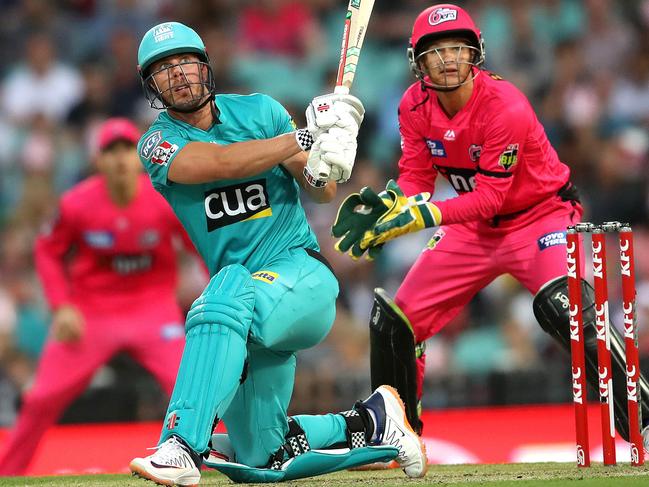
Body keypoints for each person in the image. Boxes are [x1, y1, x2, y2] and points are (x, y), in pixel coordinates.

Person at [332, 3, 649, 447]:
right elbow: (418, 176)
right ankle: (396, 438)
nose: (446, 59)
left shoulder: (506, 106)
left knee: (567, 308)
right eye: (435, 52)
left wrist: (424, 215)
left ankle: (643, 421)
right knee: (394, 322)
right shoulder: (414, 104)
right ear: (417, 62)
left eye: (456, 49)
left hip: (540, 217)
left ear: (475, 52)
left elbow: (492, 196)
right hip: (474, 229)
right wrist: (393, 202)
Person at [127, 21, 428, 486]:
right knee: (262, 457)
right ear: (152, 87)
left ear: (205, 67)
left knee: (223, 288)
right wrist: (304, 136)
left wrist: (332, 150)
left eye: (185, 61)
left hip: (300, 277)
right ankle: (372, 421)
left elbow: (323, 189)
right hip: (242, 316)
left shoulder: (262, 111)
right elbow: (219, 165)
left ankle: (182, 445)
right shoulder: (157, 144)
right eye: (163, 69)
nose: (178, 74)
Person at [0, 118, 196, 476]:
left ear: (139, 157)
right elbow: (47, 250)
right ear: (99, 160)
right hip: (92, 315)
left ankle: (219, 464)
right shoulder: (76, 204)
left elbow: (199, 244)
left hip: (153, 310)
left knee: (195, 389)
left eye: (126, 149)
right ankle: (8, 475)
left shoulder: (164, 200)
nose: (120, 159)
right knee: (41, 397)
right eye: (111, 151)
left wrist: (218, 288)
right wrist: (61, 307)